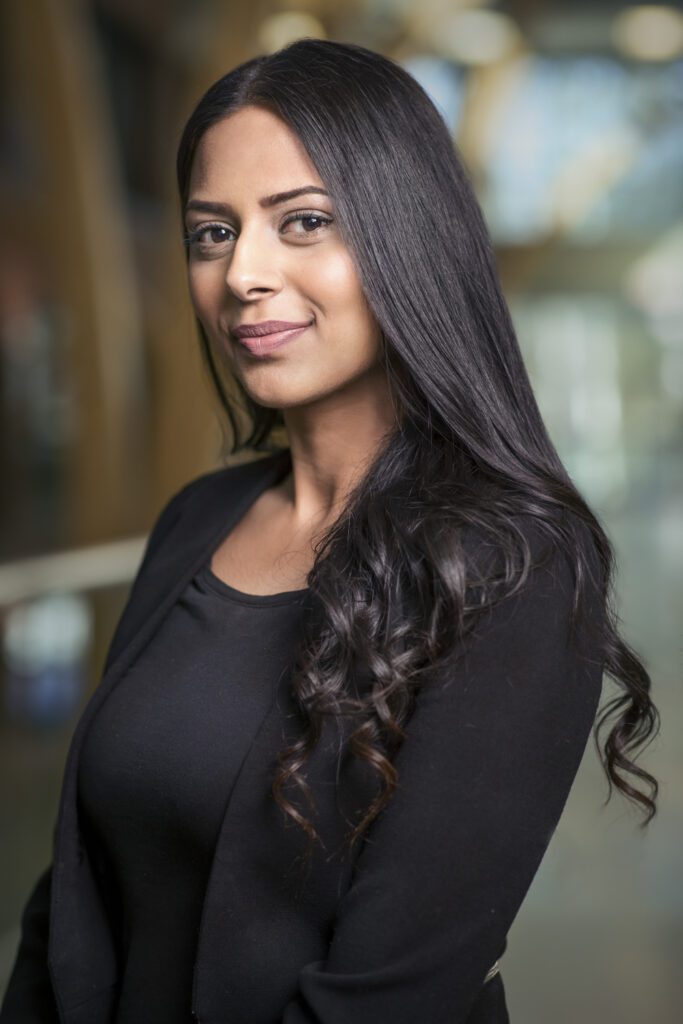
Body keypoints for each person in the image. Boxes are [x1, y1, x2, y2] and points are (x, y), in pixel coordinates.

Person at [1, 37, 659, 1024]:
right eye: (210, 234)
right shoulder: (198, 519)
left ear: (407, 239)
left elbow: (389, 997)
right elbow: (76, 896)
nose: (242, 276)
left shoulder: (511, 569)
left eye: (302, 222)